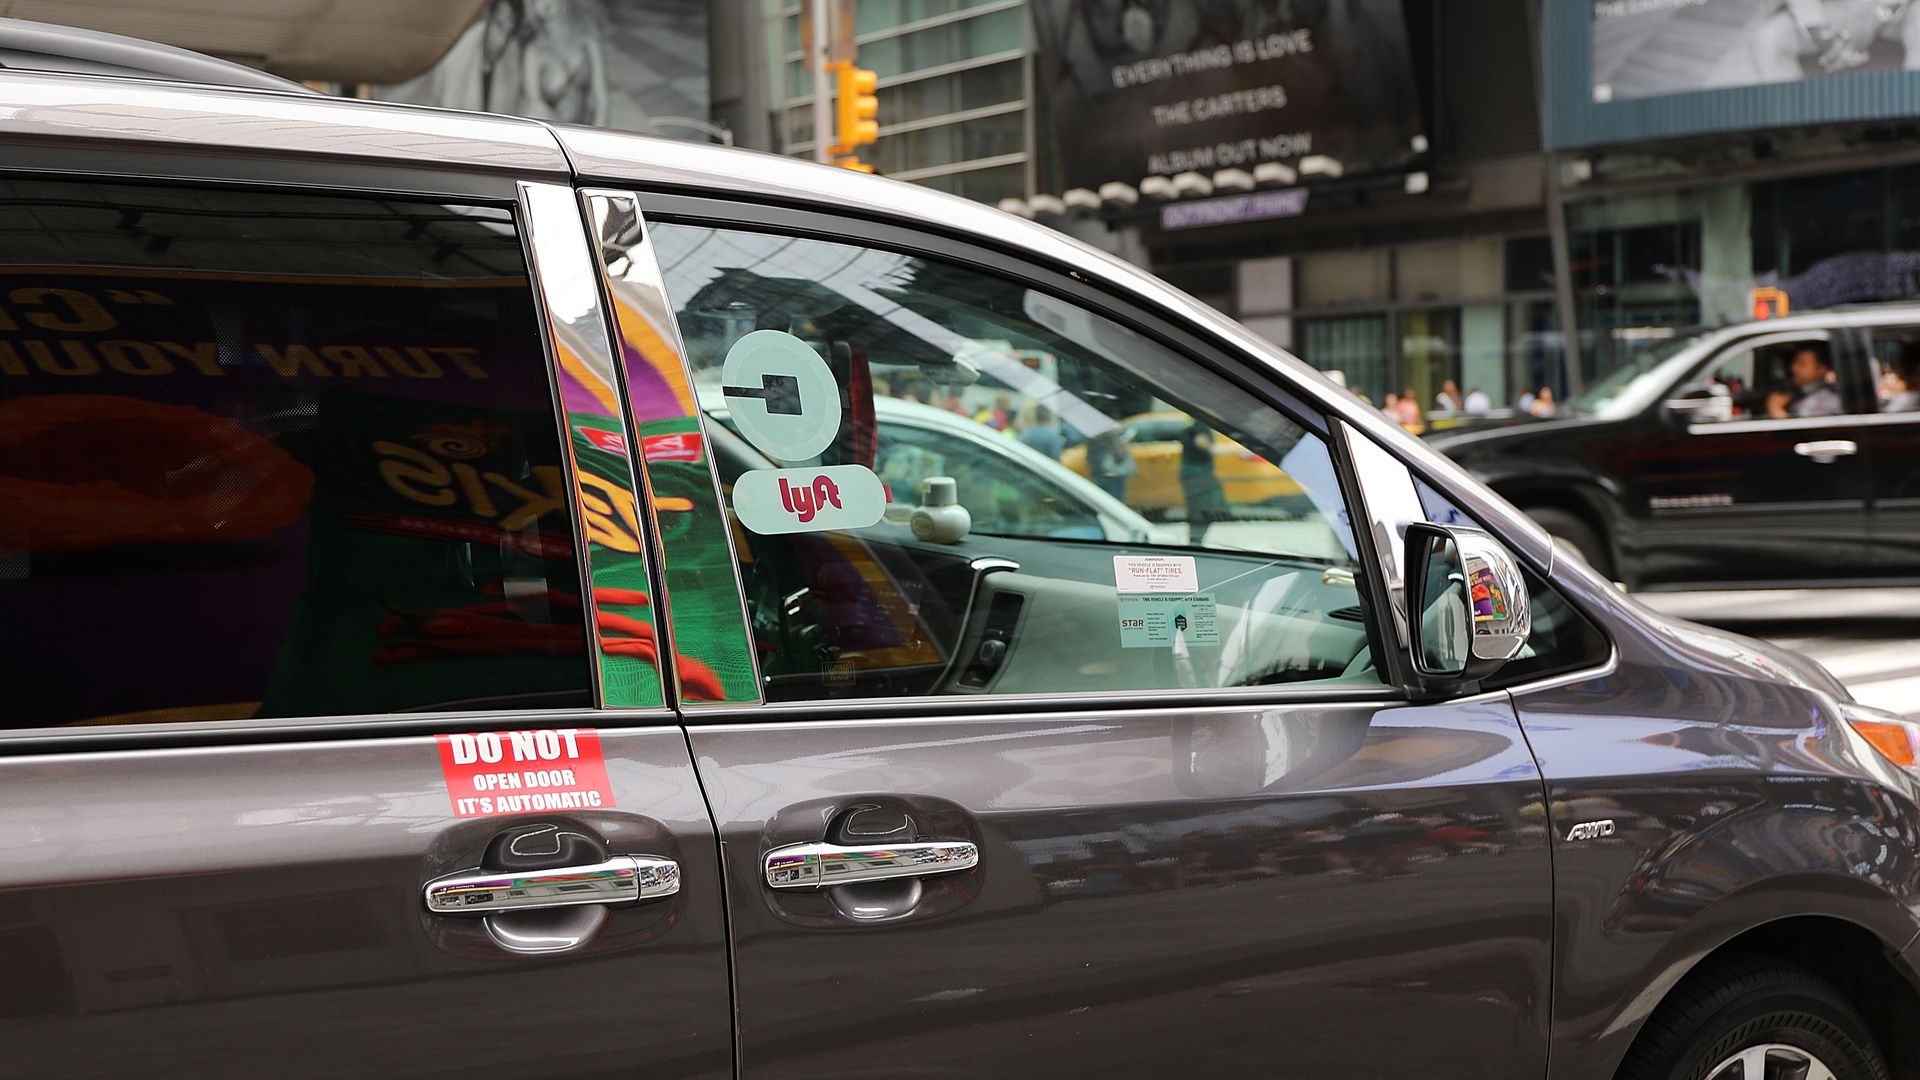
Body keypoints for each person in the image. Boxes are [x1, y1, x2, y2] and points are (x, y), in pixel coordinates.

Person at [1177, 419, 1226, 545]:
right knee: (1204, 509)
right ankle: (1196, 540)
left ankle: (1195, 539)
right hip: (1199, 474)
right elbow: (1201, 441)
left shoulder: (1189, 424)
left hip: (1190, 472)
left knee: (1196, 508)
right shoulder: (1201, 423)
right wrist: (1213, 449)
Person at [1764, 344, 1843, 418]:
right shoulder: (1797, 393)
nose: (1794, 368)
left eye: (1802, 364)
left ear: (1821, 369)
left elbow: (1807, 430)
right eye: (1794, 363)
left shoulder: (1825, 400)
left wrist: (1776, 410)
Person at [1088, 426, 1136, 501]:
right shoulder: (1110, 433)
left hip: (1100, 472)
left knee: (1101, 498)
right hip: (1113, 473)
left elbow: (1090, 457)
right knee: (1116, 499)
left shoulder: (1094, 436)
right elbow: (1119, 453)